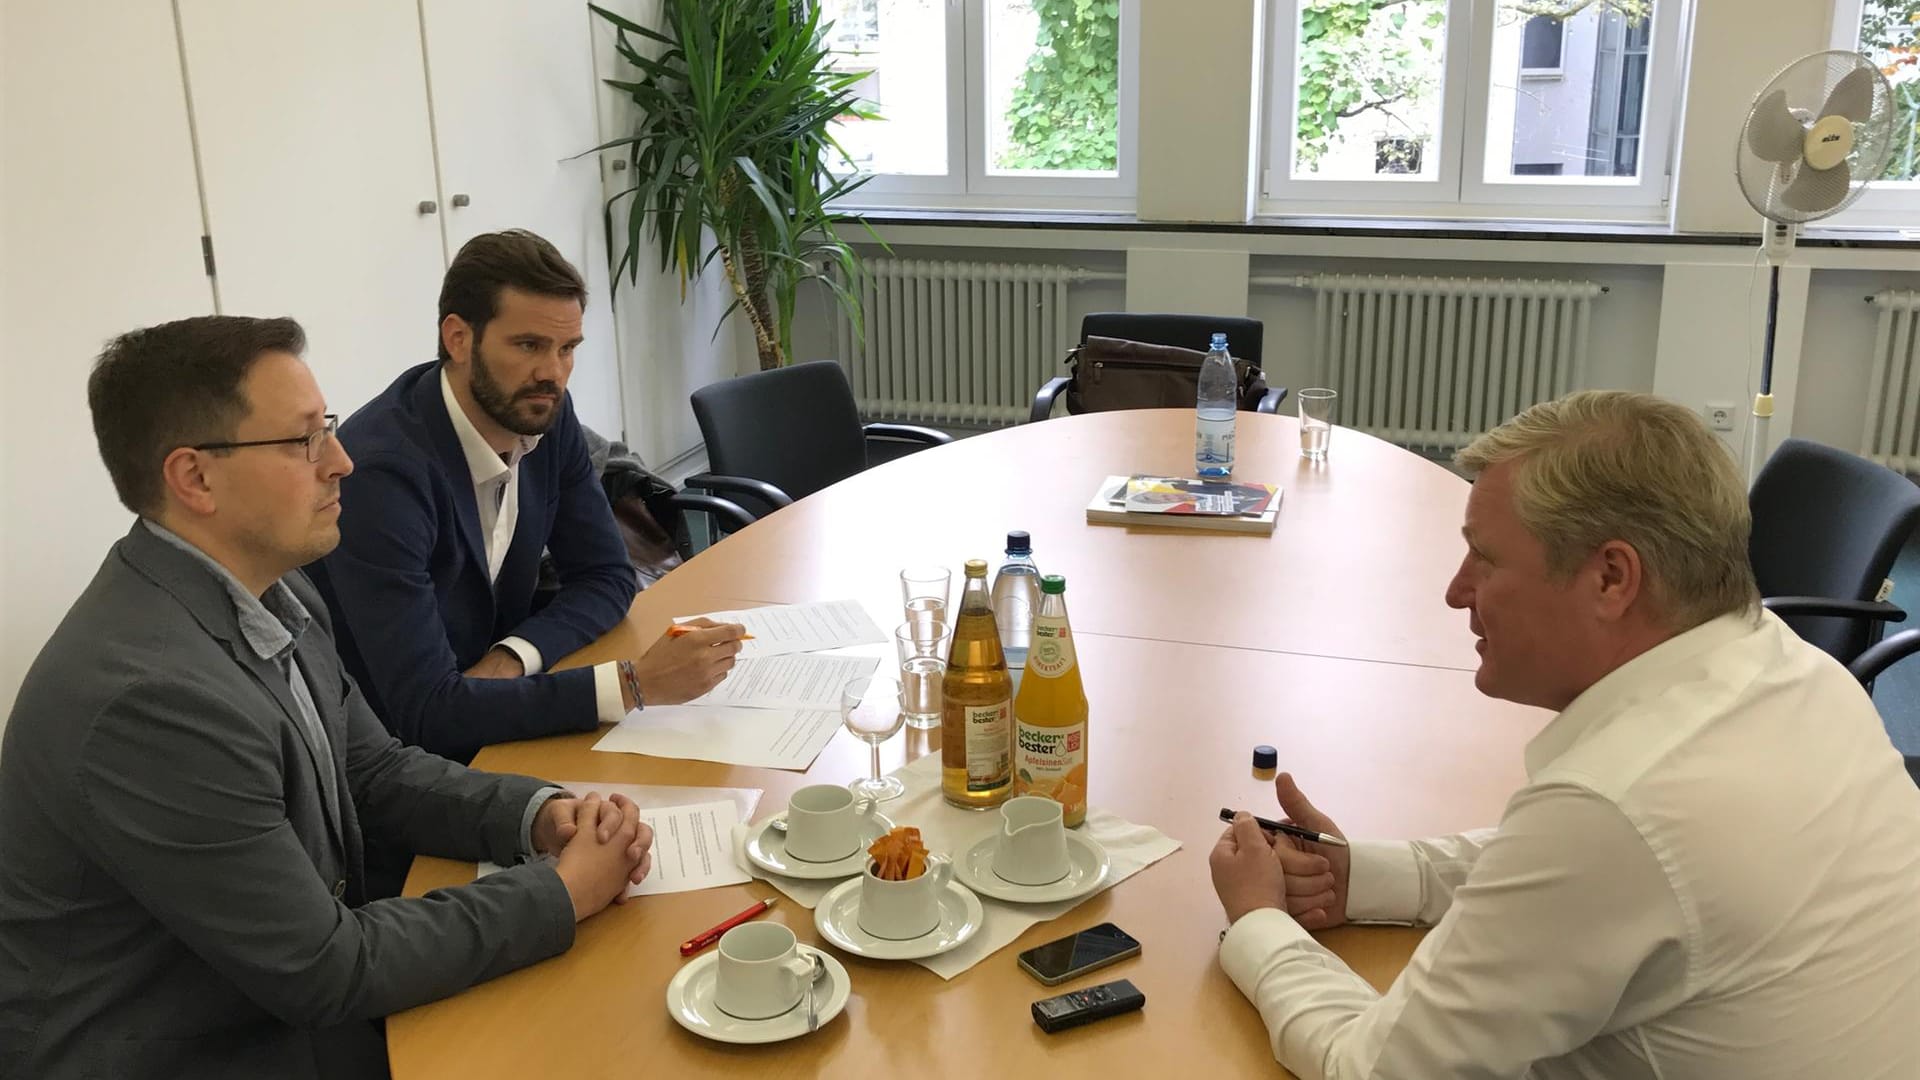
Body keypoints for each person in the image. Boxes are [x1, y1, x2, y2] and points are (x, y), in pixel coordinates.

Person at [0, 316, 655, 1079]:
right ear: (195, 478)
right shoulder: (147, 703)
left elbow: (374, 771)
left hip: (268, 1004)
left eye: (329, 429)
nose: (341, 461)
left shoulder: (274, 592)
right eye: (303, 440)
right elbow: (325, 969)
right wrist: (561, 892)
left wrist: (538, 815)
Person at [1209, 391, 1920, 1078]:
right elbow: (1575, 875)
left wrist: (1259, 922)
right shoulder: (1793, 667)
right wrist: (1361, 875)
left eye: (1485, 557)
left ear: (1611, 578)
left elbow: (1371, 1071)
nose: (1457, 590)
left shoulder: (1616, 806)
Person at [310, 229, 743, 766]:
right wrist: (632, 684)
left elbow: (607, 575)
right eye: (529, 346)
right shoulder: (381, 474)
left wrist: (513, 656)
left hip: (496, 713)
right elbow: (423, 714)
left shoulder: (543, 411)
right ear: (458, 338)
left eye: (567, 350)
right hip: (399, 765)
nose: (553, 373)